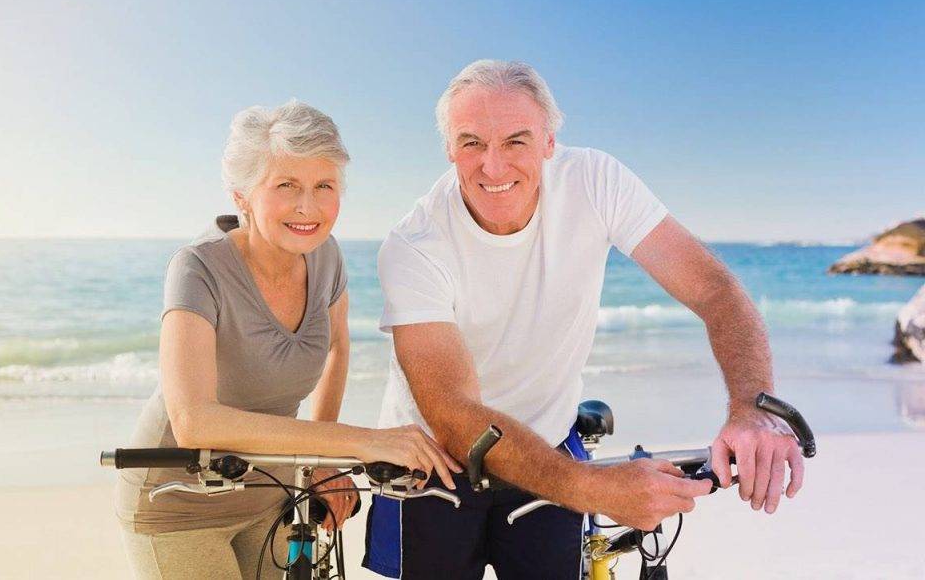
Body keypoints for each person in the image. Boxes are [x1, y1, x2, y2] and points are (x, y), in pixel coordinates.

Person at [363, 61, 806, 579]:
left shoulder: (595, 180)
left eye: (516, 142)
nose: (494, 167)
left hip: (547, 442)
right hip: (431, 460)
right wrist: (594, 486)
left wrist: (754, 409)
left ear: (550, 142)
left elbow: (713, 288)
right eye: (471, 143)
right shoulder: (414, 243)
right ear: (448, 150)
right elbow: (452, 411)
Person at [115, 100, 459, 580]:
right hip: (178, 501)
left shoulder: (326, 255)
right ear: (242, 196)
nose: (308, 207)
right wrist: (358, 444)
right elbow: (194, 421)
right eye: (286, 186)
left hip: (271, 491)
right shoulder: (197, 268)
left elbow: (339, 348)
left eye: (324, 186)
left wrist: (317, 464)